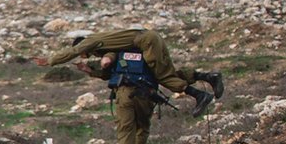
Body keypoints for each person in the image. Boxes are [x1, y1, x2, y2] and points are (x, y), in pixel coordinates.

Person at [35, 27, 222, 117]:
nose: (84, 56)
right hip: (150, 38)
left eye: (85, 54)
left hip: (146, 42)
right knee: (168, 72)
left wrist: (50, 61)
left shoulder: (89, 41)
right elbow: (112, 65)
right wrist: (90, 70)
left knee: (160, 76)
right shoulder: (105, 42)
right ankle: (208, 77)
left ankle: (199, 95)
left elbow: (75, 51)